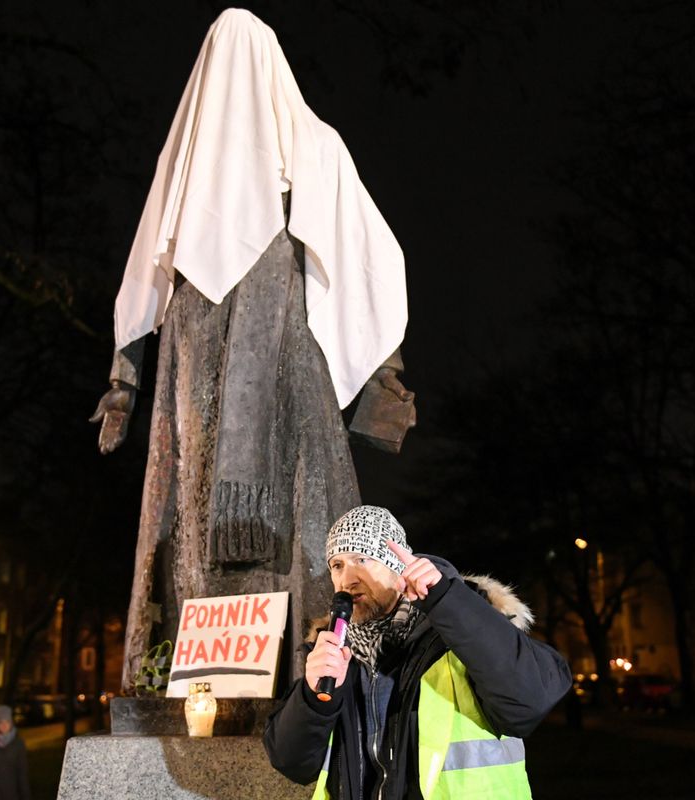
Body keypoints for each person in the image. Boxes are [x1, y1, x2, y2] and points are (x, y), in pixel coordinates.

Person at [90, 8, 415, 690]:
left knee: (287, 500)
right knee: (198, 506)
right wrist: (122, 381)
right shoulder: (187, 165)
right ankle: (201, 672)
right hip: (199, 369)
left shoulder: (307, 149)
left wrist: (123, 381)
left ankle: (306, 672)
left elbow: (368, 253)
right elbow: (141, 278)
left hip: (282, 375)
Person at [264, 505, 572, 799]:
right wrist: (312, 697)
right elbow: (291, 762)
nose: (347, 579)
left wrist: (447, 602)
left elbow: (530, 701)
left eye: (363, 559)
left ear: (397, 563)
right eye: (337, 565)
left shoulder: (456, 630)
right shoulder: (332, 650)